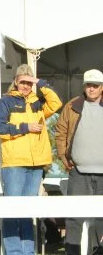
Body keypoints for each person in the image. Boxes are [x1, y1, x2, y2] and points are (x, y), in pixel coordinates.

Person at [0, 64, 62, 255]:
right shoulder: (5, 102)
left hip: (36, 164)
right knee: (13, 211)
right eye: (22, 81)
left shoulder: (38, 102)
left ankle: (28, 252)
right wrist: (25, 127)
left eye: (29, 82)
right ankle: (14, 252)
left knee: (27, 211)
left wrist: (40, 83)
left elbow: (56, 103)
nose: (25, 85)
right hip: (14, 164)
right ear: (15, 81)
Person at [55, 69, 103, 255]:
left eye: (95, 86)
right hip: (78, 172)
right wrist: (63, 157)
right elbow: (60, 131)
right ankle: (72, 252)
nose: (91, 89)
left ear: (101, 87)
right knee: (74, 216)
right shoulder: (72, 106)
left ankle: (97, 251)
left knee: (101, 217)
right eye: (88, 85)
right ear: (84, 86)